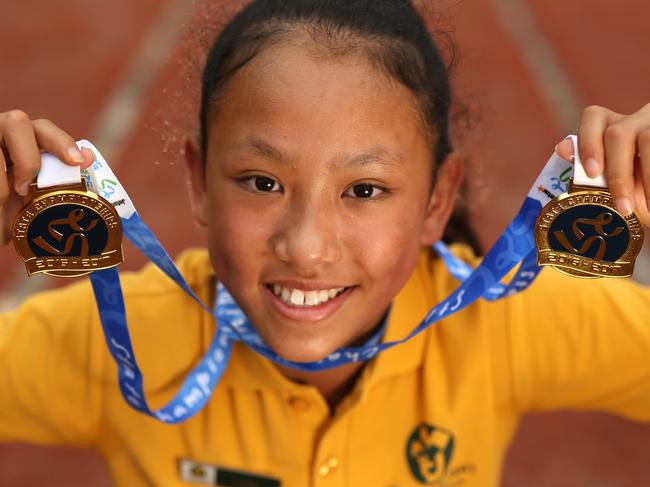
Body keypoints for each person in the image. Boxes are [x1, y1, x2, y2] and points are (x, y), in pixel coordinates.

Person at [1, 0, 649, 485]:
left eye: (364, 189)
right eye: (261, 181)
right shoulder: (117, 341)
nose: (307, 247)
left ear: (436, 201)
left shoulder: (504, 324)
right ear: (198, 182)